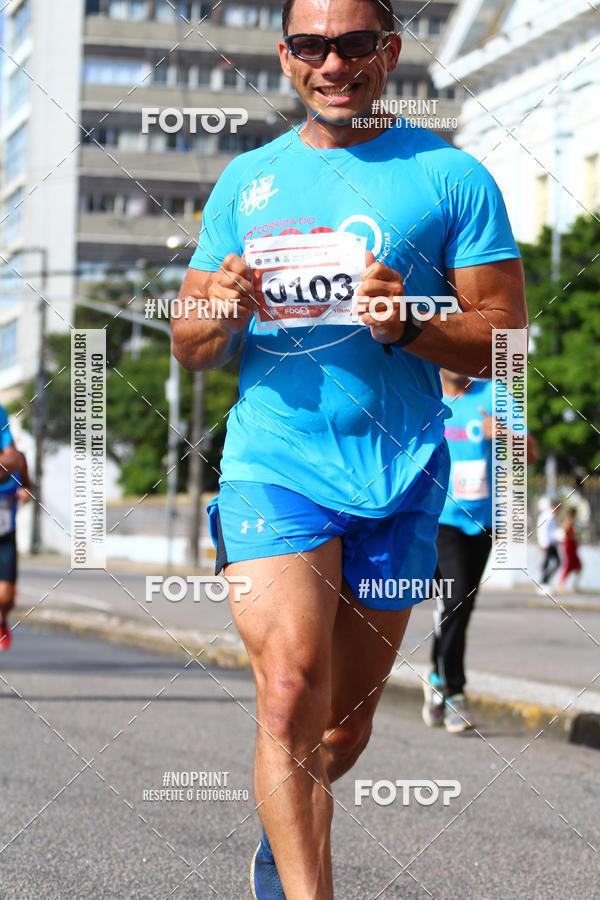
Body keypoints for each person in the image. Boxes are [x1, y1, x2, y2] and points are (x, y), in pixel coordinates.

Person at [171, 0, 527, 894]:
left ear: (390, 51)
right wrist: (220, 306)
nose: (336, 64)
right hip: (273, 464)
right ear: (286, 58)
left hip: (402, 478)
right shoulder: (246, 182)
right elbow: (189, 341)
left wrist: (411, 326)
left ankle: (282, 835)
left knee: (341, 728)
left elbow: (508, 339)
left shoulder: (452, 177)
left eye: (356, 43)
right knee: (290, 689)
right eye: (314, 46)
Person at [422, 372, 537, 732]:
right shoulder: (427, 394)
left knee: (461, 605)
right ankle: (455, 692)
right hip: (442, 518)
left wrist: (504, 434)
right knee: (454, 600)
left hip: (484, 520)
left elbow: (531, 452)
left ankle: (435, 676)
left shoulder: (495, 394)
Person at [0, 405, 31, 650]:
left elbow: (20, 462)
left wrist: (25, 491)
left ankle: (3, 618)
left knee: (6, 598)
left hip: (5, 535)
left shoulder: (12, 467)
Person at [537, 496, 560, 587]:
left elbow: (552, 531)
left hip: (552, 543)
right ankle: (543, 582)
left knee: (553, 562)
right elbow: (542, 530)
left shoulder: (552, 516)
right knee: (548, 562)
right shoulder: (547, 516)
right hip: (547, 544)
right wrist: (544, 543)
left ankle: (545, 581)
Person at [557, 508, 582, 593]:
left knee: (578, 566)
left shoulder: (571, 522)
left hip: (572, 547)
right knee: (568, 566)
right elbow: (564, 533)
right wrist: (573, 538)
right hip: (569, 546)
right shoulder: (568, 521)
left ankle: (573, 585)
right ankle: (561, 585)